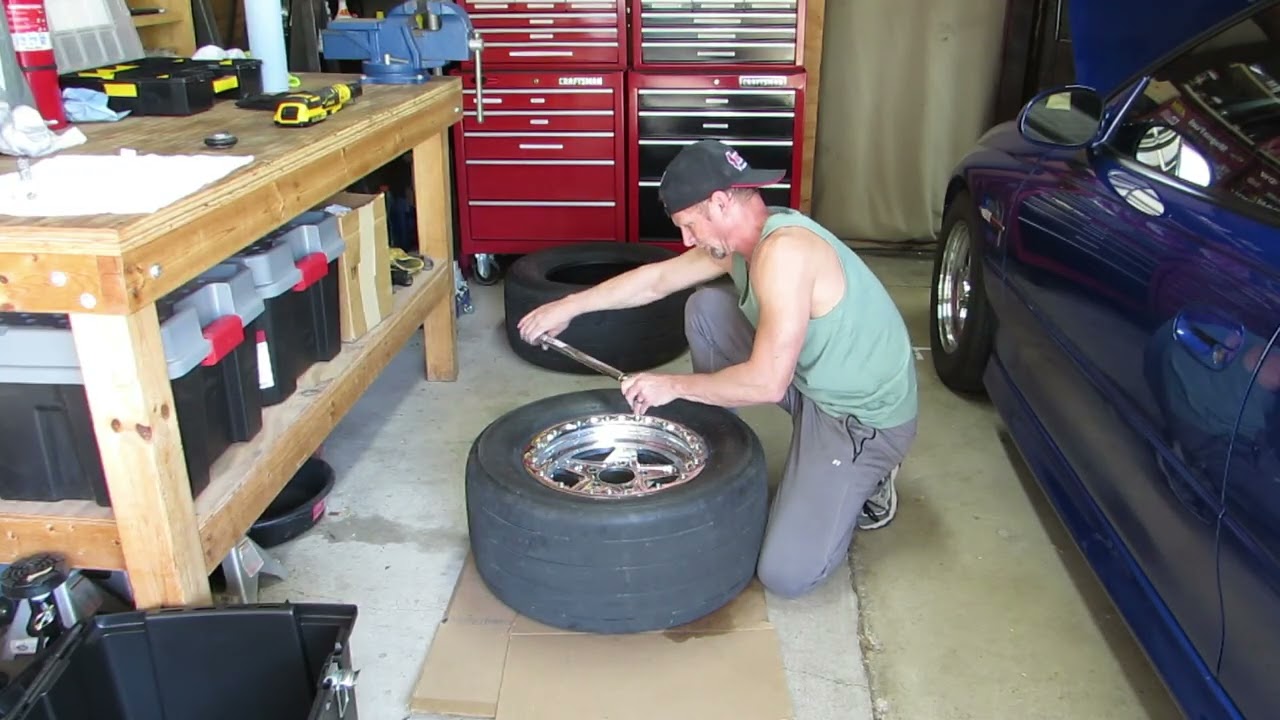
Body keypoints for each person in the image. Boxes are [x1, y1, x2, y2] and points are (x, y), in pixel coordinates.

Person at [517, 139, 919, 598]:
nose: (687, 240)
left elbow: (768, 383)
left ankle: (869, 479)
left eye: (689, 226)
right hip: (811, 377)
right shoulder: (745, 240)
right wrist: (569, 306)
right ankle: (721, 453)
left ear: (720, 202)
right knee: (707, 308)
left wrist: (673, 385)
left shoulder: (785, 253)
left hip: (858, 419)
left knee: (786, 575)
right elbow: (657, 280)